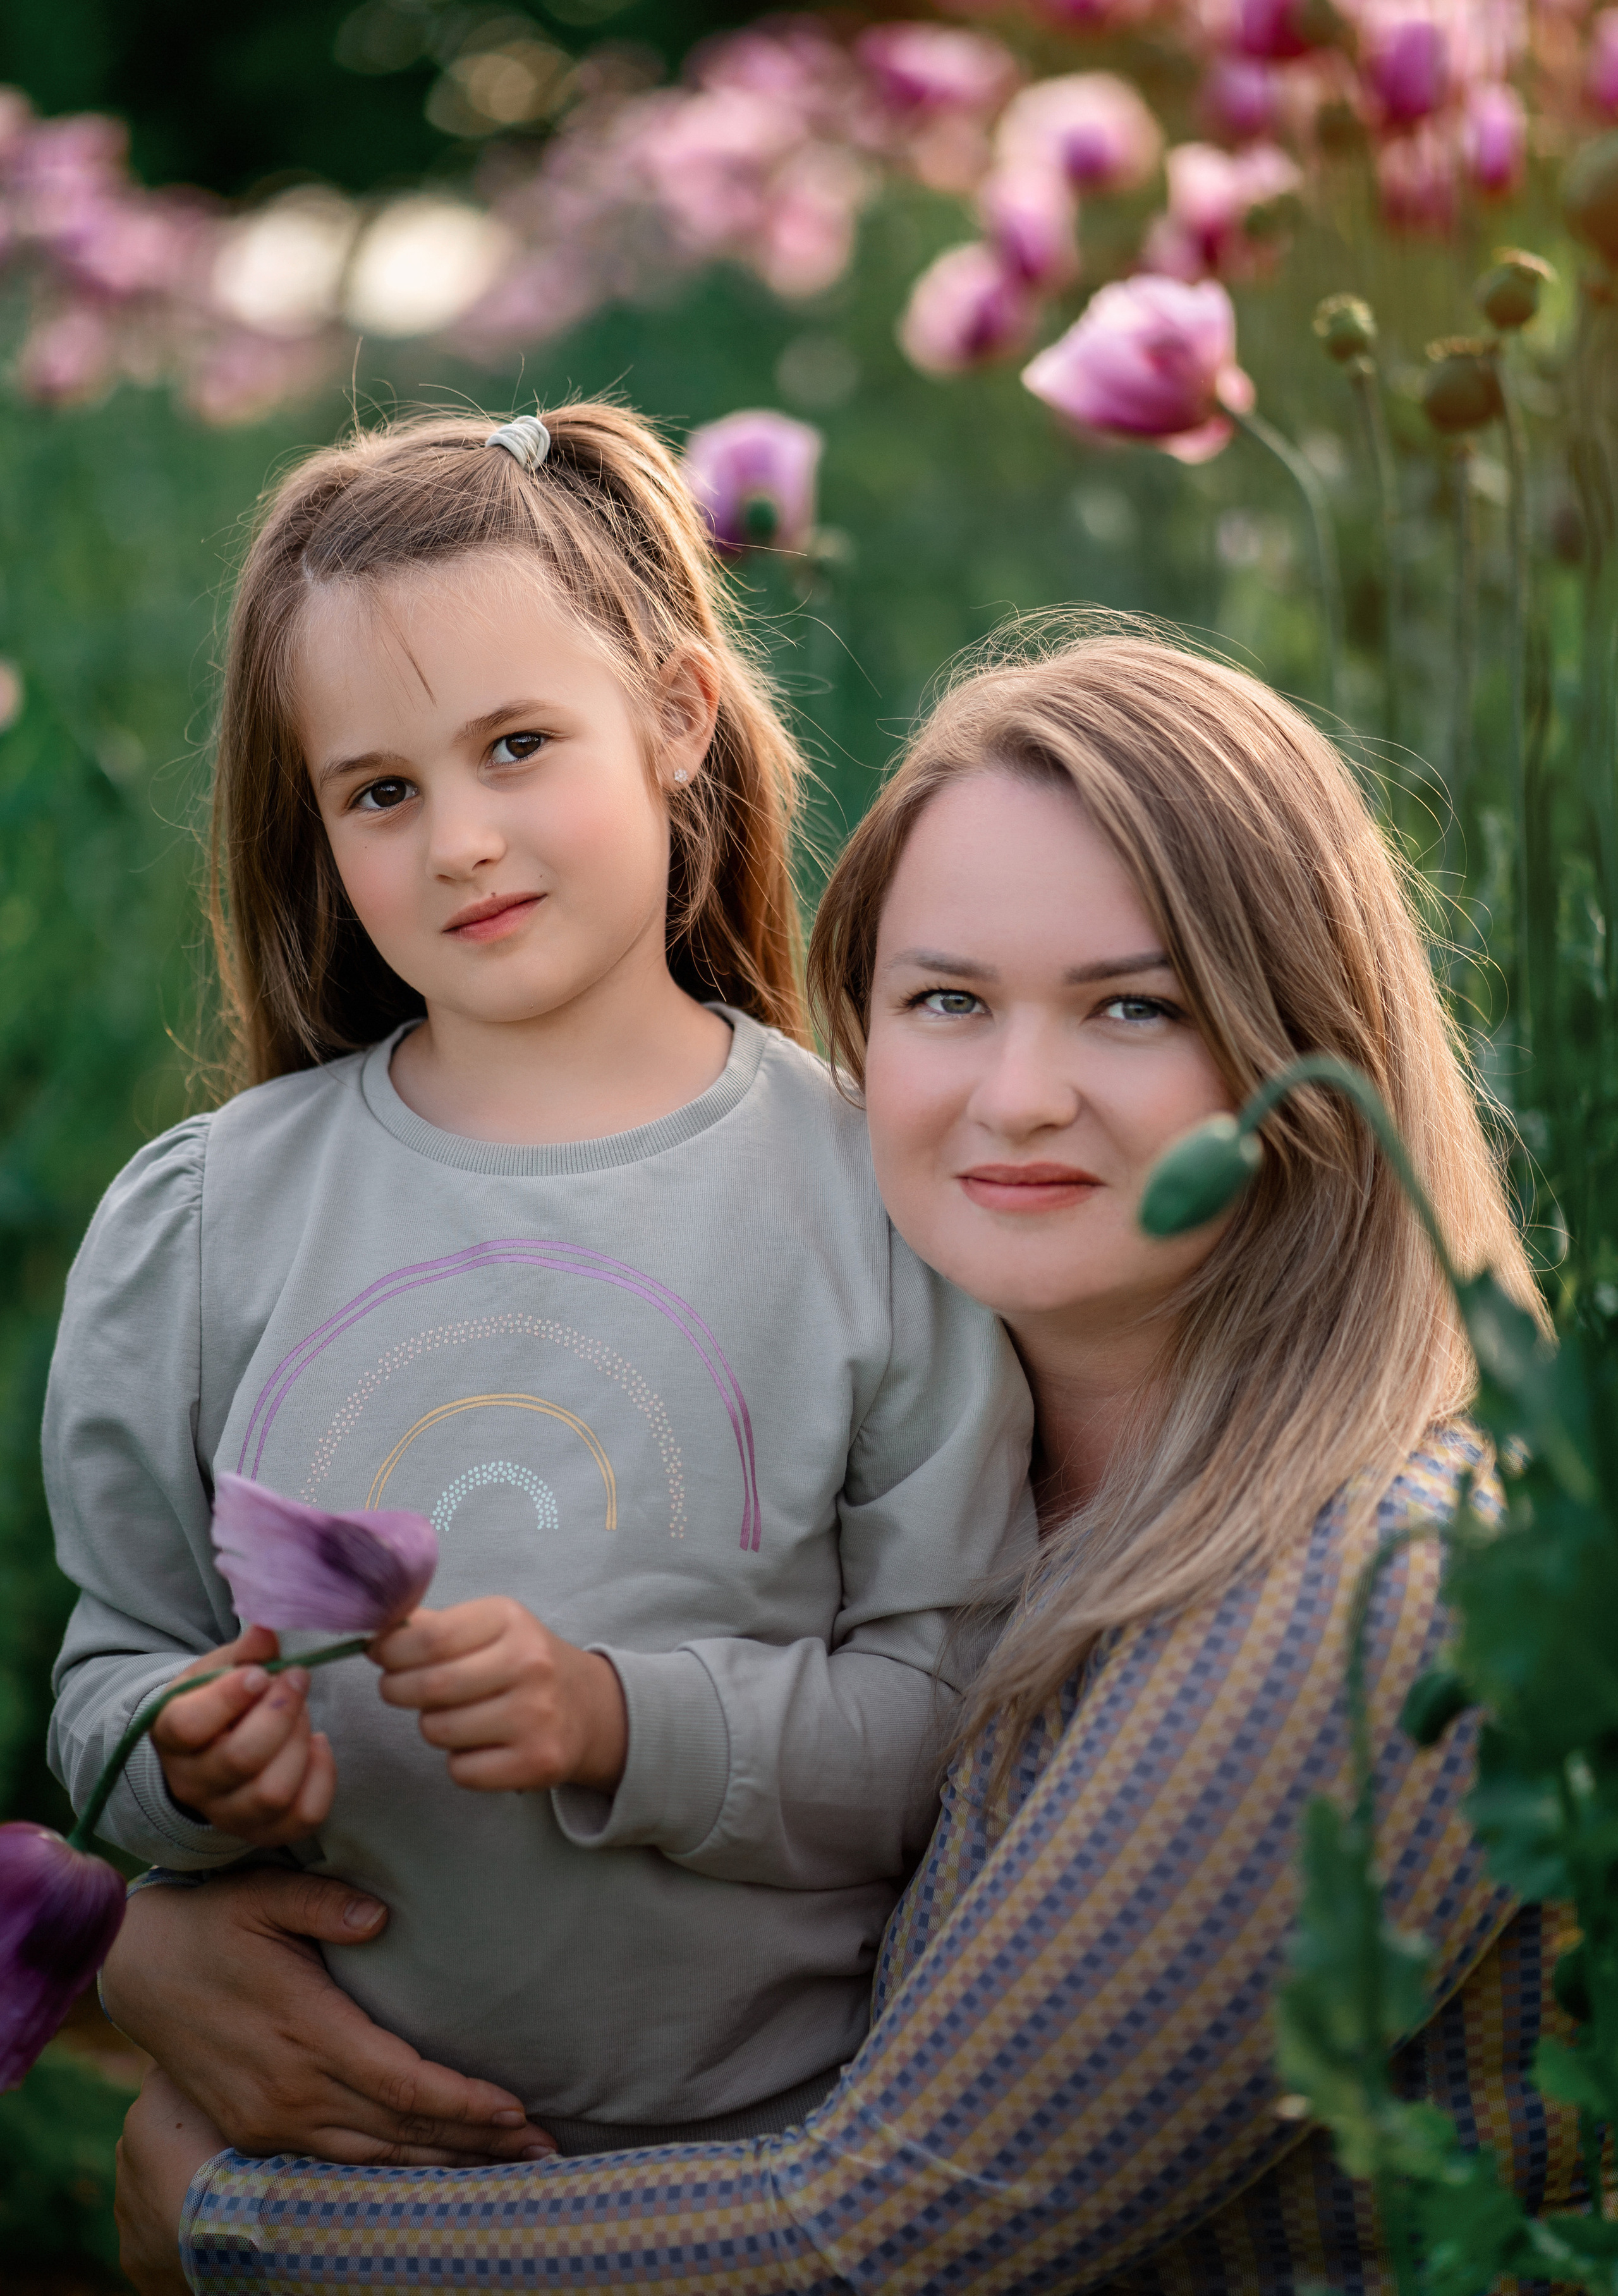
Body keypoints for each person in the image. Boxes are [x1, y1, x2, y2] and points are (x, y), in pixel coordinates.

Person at [116, 623, 1573, 2295]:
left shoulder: (1363, 1582)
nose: (1017, 1096)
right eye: (949, 1000)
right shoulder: (888, 1489)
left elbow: (874, 2246)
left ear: (1301, 1058)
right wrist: (160, 1943)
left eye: (1133, 1007)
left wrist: (228, 2220)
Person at [44, 403, 1034, 2163]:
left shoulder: (869, 1202)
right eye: (380, 792)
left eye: (517, 744)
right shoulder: (206, 1221)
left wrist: (611, 1715)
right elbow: (109, 1670)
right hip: (331, 2162)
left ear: (675, 716)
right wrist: (184, 1766)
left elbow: (942, 1730)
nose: (461, 844)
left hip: (757, 2172)